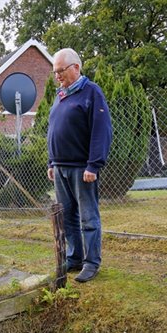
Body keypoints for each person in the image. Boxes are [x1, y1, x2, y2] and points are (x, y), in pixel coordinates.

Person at [46, 48, 112, 283]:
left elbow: (101, 131)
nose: (57, 76)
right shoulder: (60, 95)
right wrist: (51, 162)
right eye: (54, 72)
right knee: (68, 218)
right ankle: (74, 258)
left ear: (76, 67)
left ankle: (91, 262)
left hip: (82, 168)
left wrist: (93, 165)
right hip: (60, 167)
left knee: (88, 217)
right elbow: (53, 130)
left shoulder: (91, 92)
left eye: (60, 71)